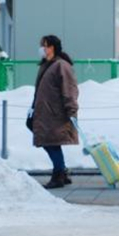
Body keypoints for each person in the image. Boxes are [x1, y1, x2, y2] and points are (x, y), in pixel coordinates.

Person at [30, 35, 79, 189]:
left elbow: (69, 89)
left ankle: (59, 175)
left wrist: (71, 110)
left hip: (55, 114)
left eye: (45, 45)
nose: (42, 49)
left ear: (52, 47)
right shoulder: (47, 65)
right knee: (50, 143)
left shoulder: (61, 66)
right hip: (46, 113)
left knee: (51, 143)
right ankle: (61, 172)